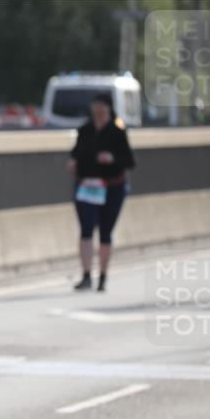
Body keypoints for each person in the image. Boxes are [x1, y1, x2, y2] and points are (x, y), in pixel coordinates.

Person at [66, 93, 136, 292]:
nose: (98, 110)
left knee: (105, 231)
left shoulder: (117, 130)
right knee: (86, 229)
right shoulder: (85, 130)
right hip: (86, 186)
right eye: (95, 106)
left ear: (108, 108)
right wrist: (72, 161)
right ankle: (86, 275)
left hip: (112, 186)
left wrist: (112, 158)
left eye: (101, 107)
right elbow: (76, 152)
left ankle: (103, 276)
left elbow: (130, 161)